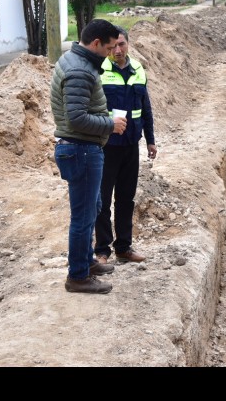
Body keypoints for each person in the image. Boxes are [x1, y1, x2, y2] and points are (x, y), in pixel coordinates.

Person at [50, 19, 128, 294]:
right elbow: (77, 118)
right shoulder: (80, 71)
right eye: (108, 48)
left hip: (81, 148)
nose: (112, 53)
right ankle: (78, 276)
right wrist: (110, 124)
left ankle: (86, 261)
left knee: (92, 208)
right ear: (95, 43)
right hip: (81, 150)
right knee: (83, 218)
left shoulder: (75, 60)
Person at [94, 26, 157, 265]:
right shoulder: (100, 70)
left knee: (126, 198)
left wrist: (150, 140)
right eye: (114, 46)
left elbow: (145, 108)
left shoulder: (138, 69)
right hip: (106, 145)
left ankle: (123, 247)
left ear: (128, 44)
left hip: (131, 145)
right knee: (102, 200)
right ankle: (102, 251)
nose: (118, 50)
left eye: (122, 45)